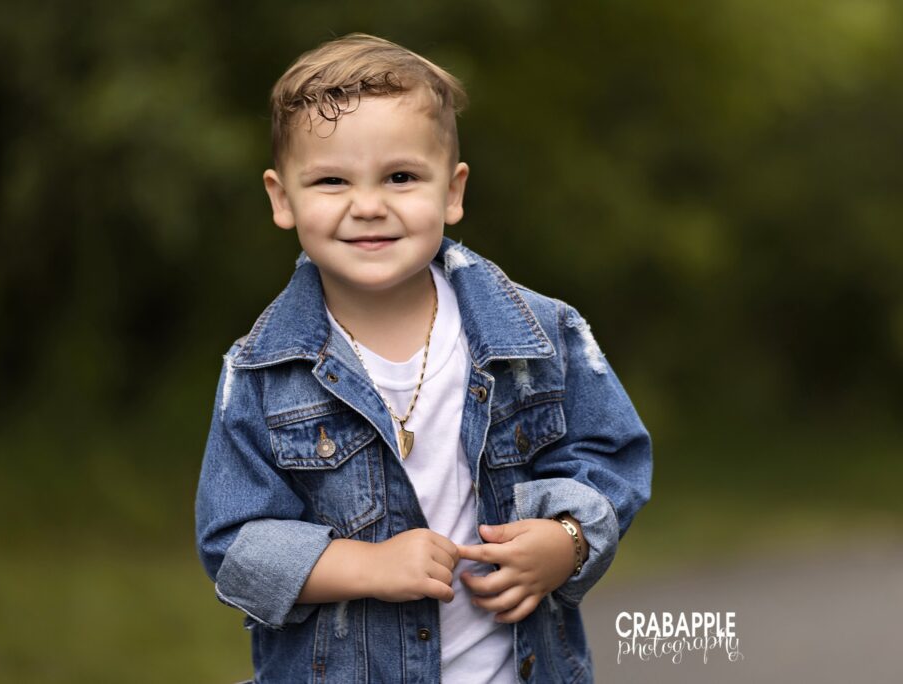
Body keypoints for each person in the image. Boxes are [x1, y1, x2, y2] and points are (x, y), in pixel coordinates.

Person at [195, 33, 652, 683]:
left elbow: (615, 456)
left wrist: (568, 541)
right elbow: (235, 544)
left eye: (401, 177)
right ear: (282, 198)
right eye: (331, 181)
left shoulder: (538, 334)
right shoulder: (264, 370)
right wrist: (370, 567)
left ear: (452, 190)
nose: (369, 205)